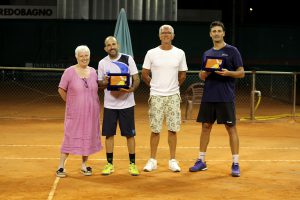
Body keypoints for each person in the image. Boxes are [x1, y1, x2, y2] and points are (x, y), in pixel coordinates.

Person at [189, 21, 245, 177]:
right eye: (214, 31)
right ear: (210, 34)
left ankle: (235, 163)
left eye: (219, 30)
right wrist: (205, 73)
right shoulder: (207, 53)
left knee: (231, 128)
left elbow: (241, 72)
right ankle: (201, 161)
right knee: (205, 127)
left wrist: (229, 73)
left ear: (223, 33)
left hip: (225, 96)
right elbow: (201, 74)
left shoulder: (232, 51)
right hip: (209, 96)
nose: (216, 33)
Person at [142, 24, 188, 172]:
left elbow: (182, 75)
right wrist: (154, 85)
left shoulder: (180, 53)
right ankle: (152, 160)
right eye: (163, 33)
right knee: (155, 129)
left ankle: (172, 160)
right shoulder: (151, 53)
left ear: (173, 36)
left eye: (169, 33)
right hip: (156, 96)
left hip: (173, 96)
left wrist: (174, 86)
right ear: (159, 36)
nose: (166, 35)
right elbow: (144, 74)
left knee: (173, 129)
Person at [56, 45, 102, 178]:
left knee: (87, 137)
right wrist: (71, 104)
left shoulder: (93, 71)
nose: (84, 58)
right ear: (76, 57)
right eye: (81, 56)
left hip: (91, 113)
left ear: (89, 56)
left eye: (86, 55)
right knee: (69, 137)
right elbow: (61, 89)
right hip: (75, 114)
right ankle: (61, 166)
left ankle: (84, 165)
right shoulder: (69, 72)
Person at [98, 36, 140, 176]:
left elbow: (136, 79)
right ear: (105, 48)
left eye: (113, 44)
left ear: (118, 45)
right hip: (110, 105)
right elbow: (100, 84)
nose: (112, 47)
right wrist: (105, 81)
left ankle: (132, 165)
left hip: (127, 104)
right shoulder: (102, 63)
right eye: (108, 45)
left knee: (129, 135)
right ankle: (109, 164)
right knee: (109, 135)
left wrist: (132, 89)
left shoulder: (128, 59)